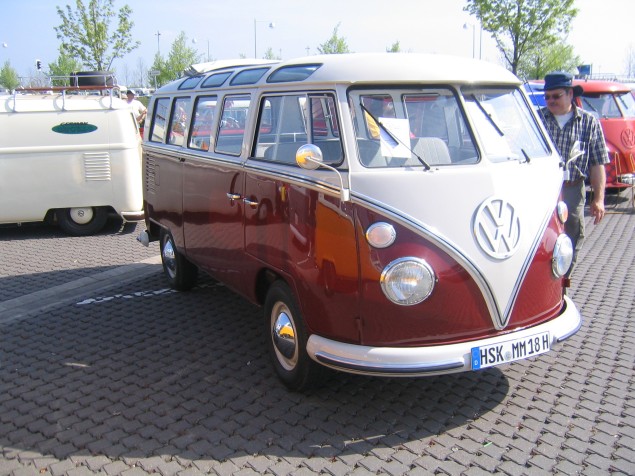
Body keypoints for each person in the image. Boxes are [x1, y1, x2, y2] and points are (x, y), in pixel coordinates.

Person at [538, 71, 609, 278]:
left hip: (573, 189)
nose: (551, 101)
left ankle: (563, 282)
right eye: (547, 97)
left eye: (556, 96)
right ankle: (544, 282)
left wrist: (599, 199)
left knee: (572, 236)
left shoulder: (589, 122)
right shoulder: (537, 119)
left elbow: (597, 163)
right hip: (543, 189)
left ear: (570, 94)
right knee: (542, 237)